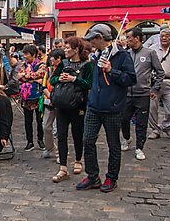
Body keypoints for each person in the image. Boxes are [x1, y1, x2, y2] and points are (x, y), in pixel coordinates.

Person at [76, 24, 136, 193]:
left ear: (101, 38)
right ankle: (93, 175)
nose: (91, 44)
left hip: (113, 107)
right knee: (87, 140)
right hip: (94, 106)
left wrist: (112, 71)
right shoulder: (96, 56)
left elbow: (130, 79)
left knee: (113, 145)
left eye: (93, 40)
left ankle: (111, 177)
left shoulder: (122, 56)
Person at [51, 37, 93, 182]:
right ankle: (63, 167)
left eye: (68, 48)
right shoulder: (63, 63)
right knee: (61, 135)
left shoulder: (87, 65)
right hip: (62, 104)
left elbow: (89, 84)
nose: (65, 50)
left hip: (78, 105)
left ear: (76, 50)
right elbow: (52, 79)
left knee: (77, 133)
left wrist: (74, 79)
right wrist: (60, 79)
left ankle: (78, 160)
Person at [122, 27, 164, 161]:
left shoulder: (149, 53)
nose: (127, 40)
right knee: (124, 119)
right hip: (127, 94)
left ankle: (139, 147)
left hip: (143, 94)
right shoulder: (126, 54)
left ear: (137, 38)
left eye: (129, 37)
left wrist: (155, 88)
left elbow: (160, 72)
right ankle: (127, 138)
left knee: (141, 123)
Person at [18, 45, 46, 151]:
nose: (25, 56)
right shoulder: (23, 65)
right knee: (27, 120)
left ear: (33, 55)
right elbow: (19, 77)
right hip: (26, 96)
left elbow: (41, 74)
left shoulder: (41, 64)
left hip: (38, 95)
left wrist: (28, 77)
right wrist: (33, 78)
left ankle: (40, 140)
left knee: (40, 120)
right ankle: (29, 141)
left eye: (27, 54)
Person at [42, 48, 65, 159]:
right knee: (46, 126)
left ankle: (60, 153)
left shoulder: (65, 70)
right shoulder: (49, 71)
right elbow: (43, 86)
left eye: (52, 58)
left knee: (60, 130)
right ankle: (50, 147)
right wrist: (50, 96)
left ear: (59, 59)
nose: (50, 60)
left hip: (61, 102)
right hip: (49, 101)